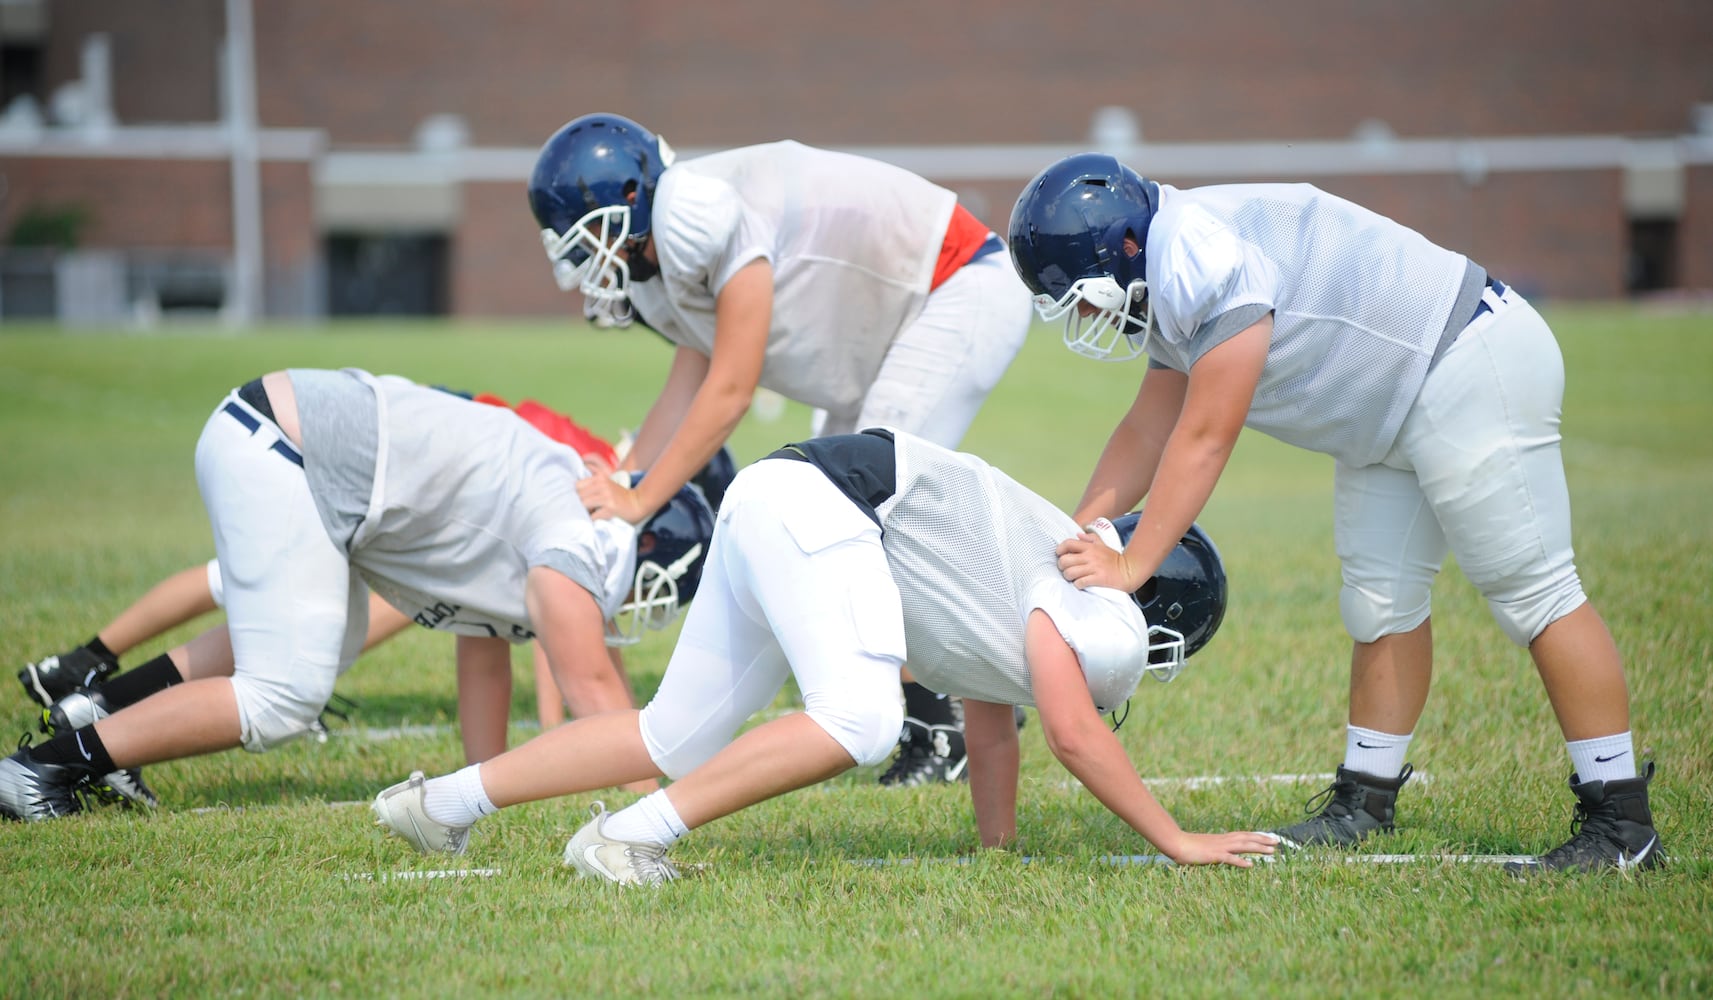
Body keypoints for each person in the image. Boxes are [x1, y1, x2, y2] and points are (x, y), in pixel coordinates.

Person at [1006, 153, 1664, 874]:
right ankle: (1365, 800)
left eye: (1086, 295)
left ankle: (1621, 823)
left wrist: (1132, 563)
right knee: (1378, 603)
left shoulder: (1202, 256)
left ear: (1124, 246)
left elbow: (1203, 435)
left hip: (1461, 360)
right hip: (1386, 402)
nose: (1093, 315)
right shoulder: (1171, 256)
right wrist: (1073, 535)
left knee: (1533, 592)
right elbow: (1146, 430)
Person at [370, 427, 1276, 882]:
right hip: (822, 505)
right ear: (1157, 614)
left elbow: (992, 725)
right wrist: (1175, 840)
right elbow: (1074, 735)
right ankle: (625, 838)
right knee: (864, 718)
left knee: (666, 736)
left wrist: (997, 855)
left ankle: (438, 804)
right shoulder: (1101, 615)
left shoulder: (1026, 588)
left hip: (781, 495)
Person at [529, 112, 1037, 787]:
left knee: (867, 510)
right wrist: (626, 478)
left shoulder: (701, 212)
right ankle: (956, 693)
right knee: (826, 509)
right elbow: (692, 376)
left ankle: (947, 717)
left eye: (589, 234)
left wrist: (641, 496)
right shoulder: (660, 257)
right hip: (893, 318)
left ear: (631, 196)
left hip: (952, 283)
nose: (585, 257)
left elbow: (731, 386)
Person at [0, 369, 713, 822]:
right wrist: (654, 817)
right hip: (291, 449)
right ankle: (42, 771)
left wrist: (472, 795)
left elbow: (484, 651)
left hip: (287, 438)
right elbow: (595, 698)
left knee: (315, 635)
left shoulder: (558, 518)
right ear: (645, 549)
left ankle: (99, 709)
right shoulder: (577, 542)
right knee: (283, 694)